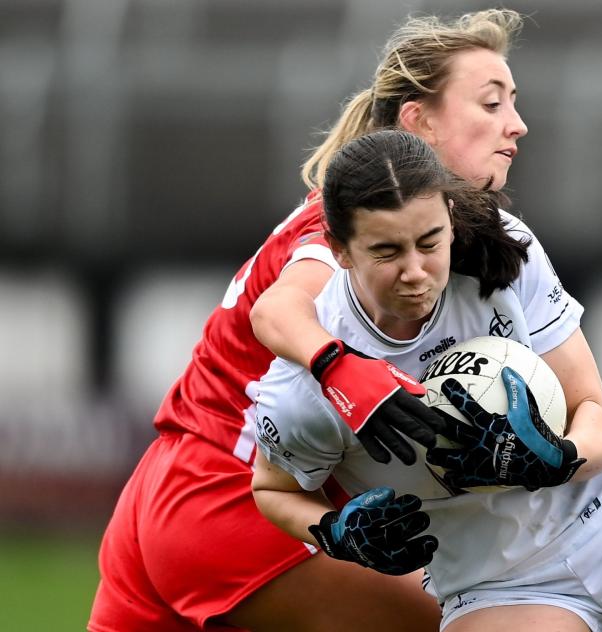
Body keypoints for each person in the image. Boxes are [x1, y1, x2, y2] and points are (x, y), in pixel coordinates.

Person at [89, 8, 532, 631]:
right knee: (501, 616)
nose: (516, 124)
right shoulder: (350, 229)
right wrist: (341, 369)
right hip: (232, 496)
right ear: (418, 120)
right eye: (491, 103)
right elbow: (282, 309)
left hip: (172, 491)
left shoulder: (408, 232)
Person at [251, 129, 602, 632]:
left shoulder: (500, 256)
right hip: (498, 580)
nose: (415, 270)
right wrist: (335, 533)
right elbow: (271, 489)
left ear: (451, 220)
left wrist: (556, 458)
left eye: (430, 241)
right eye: (387, 252)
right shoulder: (304, 389)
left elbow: (594, 415)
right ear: (340, 251)